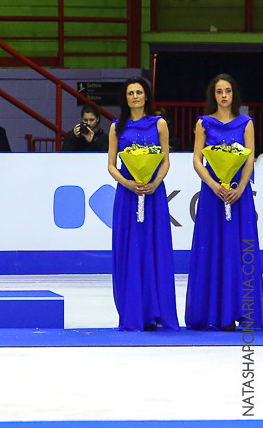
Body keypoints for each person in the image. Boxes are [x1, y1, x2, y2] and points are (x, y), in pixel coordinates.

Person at [186, 74, 262, 331]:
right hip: (212, 194)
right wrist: (214, 185)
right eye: (219, 91)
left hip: (239, 194)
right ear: (213, 95)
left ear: (234, 94)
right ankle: (214, 311)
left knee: (240, 248)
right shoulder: (203, 123)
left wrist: (241, 187)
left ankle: (241, 311)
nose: (224, 96)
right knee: (214, 247)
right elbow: (197, 159)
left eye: (228, 90)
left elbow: (250, 158)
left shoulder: (247, 123)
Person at [106, 76, 178, 331]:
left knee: (152, 248)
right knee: (130, 251)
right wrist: (127, 183)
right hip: (127, 195)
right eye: (130, 93)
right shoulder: (117, 127)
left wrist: (155, 182)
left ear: (146, 96)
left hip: (153, 194)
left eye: (139, 92)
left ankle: (156, 311)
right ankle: (133, 312)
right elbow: (111, 165)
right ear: (125, 98)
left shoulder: (159, 124)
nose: (135, 96)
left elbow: (166, 160)